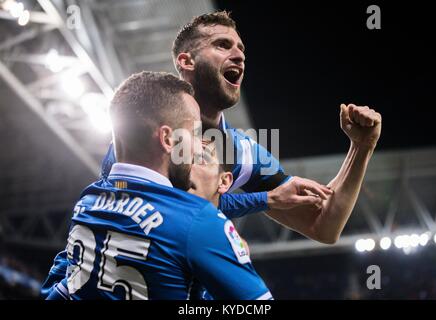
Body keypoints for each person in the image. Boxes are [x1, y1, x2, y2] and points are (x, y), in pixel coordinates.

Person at [42, 11, 382, 299]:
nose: (239, 55)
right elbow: (171, 213)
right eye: (222, 45)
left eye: (241, 48)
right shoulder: (142, 136)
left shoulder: (245, 151)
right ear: (186, 61)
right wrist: (264, 199)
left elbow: (325, 226)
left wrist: (360, 148)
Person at [43, 71, 272, 300]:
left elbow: (56, 293)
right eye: (194, 133)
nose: (196, 148)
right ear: (168, 139)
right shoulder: (198, 222)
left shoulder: (88, 202)